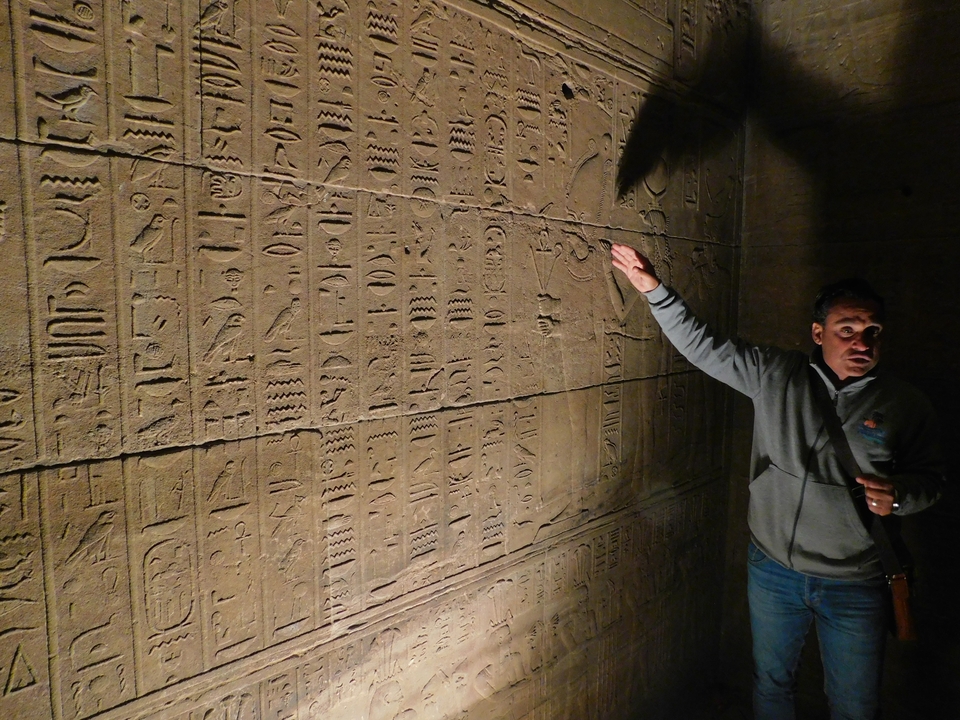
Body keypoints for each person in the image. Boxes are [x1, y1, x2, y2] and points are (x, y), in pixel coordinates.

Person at [610, 243, 944, 720]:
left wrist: (901, 496)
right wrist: (653, 290)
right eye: (846, 330)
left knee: (854, 706)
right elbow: (704, 346)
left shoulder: (906, 405)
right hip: (773, 571)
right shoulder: (776, 374)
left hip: (854, 583)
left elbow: (933, 480)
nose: (861, 344)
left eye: (872, 332)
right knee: (770, 686)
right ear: (818, 332)